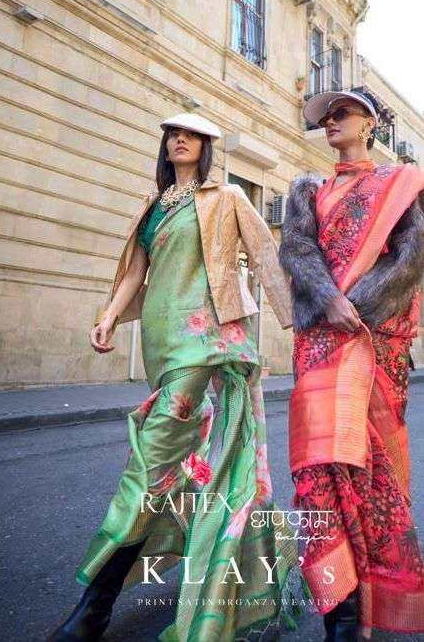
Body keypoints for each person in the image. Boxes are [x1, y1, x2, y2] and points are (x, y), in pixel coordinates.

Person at [47, 113, 302, 642]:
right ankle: (198, 558)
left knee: (147, 464)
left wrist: (301, 323)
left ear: (206, 148)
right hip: (161, 342)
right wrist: (108, 316)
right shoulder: (154, 205)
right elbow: (134, 271)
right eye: (172, 135)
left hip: (205, 339)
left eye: (191, 135)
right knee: (174, 466)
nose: (179, 140)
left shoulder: (227, 197)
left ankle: (93, 608)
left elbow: (265, 255)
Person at [279, 89, 424, 640]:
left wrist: (357, 305)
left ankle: (371, 602)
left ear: (370, 124)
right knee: (318, 468)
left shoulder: (399, 184)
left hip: (373, 340)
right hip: (319, 341)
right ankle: (339, 609)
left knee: (369, 469)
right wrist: (327, 300)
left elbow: (411, 256)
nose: (331, 121)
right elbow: (297, 252)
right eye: (326, 116)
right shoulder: (306, 190)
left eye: (343, 112)